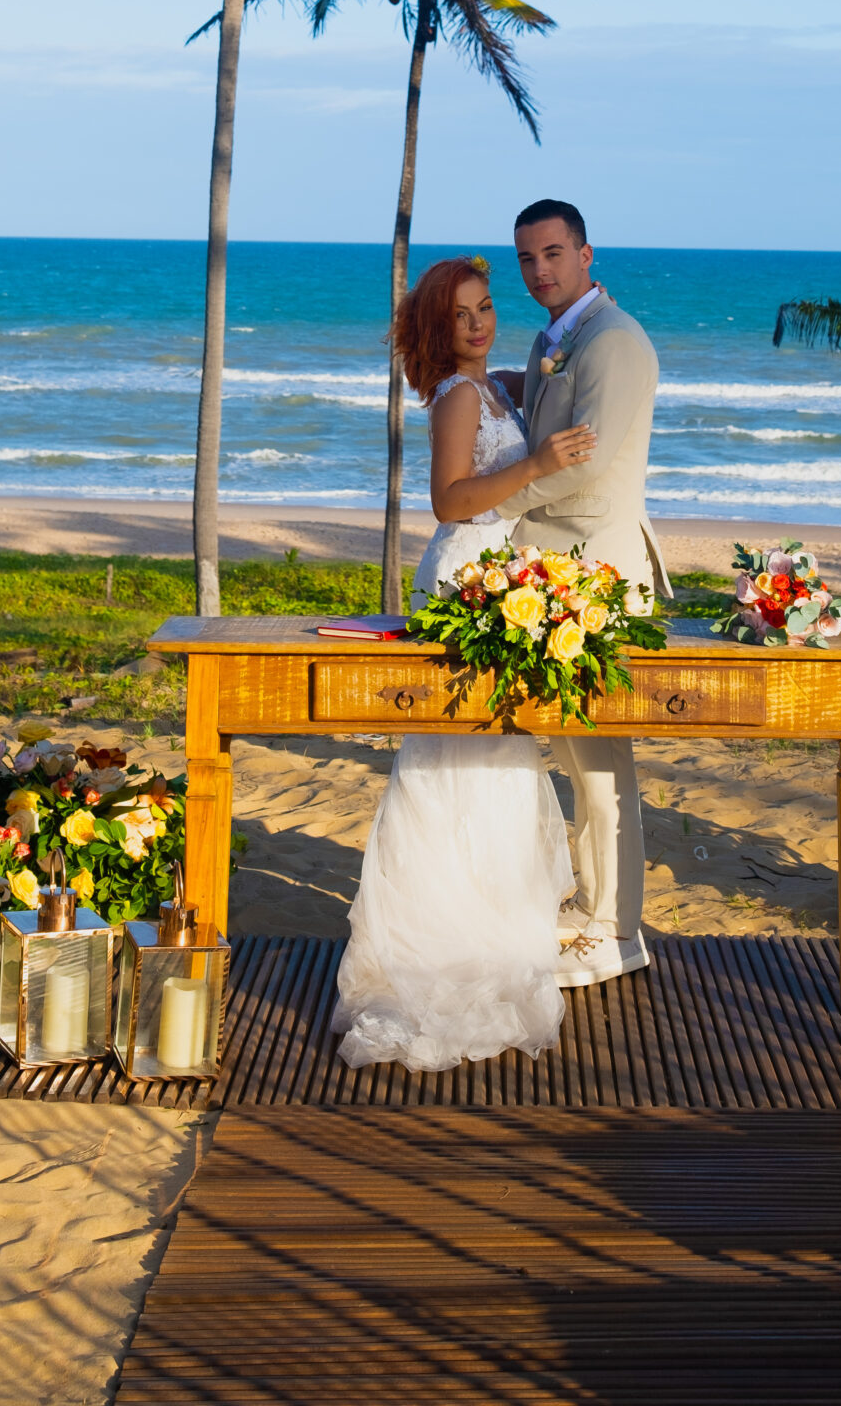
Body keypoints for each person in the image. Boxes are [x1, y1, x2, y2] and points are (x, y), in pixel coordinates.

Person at [333, 255, 597, 1072]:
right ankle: (444, 945)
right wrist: (538, 465)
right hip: (464, 581)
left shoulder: (493, 387)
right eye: (461, 316)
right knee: (463, 761)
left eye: (485, 307)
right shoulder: (455, 395)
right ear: (436, 332)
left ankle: (488, 930)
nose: (480, 322)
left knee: (497, 757)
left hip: (495, 580)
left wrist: (570, 349)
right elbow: (449, 499)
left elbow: (555, 365)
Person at [491, 200, 666, 986]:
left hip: (593, 571)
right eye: (527, 259)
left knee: (599, 764)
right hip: (557, 572)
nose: (539, 271)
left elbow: (589, 464)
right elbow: (554, 431)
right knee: (570, 749)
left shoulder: (614, 343)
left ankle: (616, 930)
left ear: (587, 254)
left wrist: (496, 499)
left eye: (554, 254)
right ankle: (594, 907)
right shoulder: (551, 339)